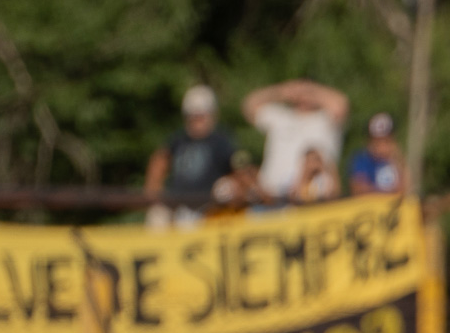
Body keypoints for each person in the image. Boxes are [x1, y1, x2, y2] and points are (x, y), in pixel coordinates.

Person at [144, 84, 238, 229]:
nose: (197, 121)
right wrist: (155, 193)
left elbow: (238, 171)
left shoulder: (221, 141)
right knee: (157, 217)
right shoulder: (179, 139)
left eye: (200, 116)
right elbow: (159, 160)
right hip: (176, 206)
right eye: (193, 116)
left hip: (208, 210)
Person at [241, 79, 349, 202]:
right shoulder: (280, 116)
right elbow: (249, 106)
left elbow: (341, 104)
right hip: (273, 197)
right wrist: (282, 91)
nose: (303, 95)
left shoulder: (325, 119)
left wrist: (311, 90)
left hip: (316, 199)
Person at [349, 113, 404, 195]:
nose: (382, 147)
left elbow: (405, 189)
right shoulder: (361, 160)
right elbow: (359, 189)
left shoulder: (396, 159)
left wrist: (398, 161)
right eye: (377, 142)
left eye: (386, 141)